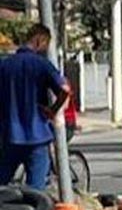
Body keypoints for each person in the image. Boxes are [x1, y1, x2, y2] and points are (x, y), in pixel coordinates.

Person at [0, 24, 70, 190]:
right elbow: (65, 90)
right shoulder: (42, 64)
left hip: (10, 135)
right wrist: (53, 110)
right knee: (36, 191)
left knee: (2, 183)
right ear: (40, 41)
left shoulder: (5, 65)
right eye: (45, 45)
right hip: (37, 136)